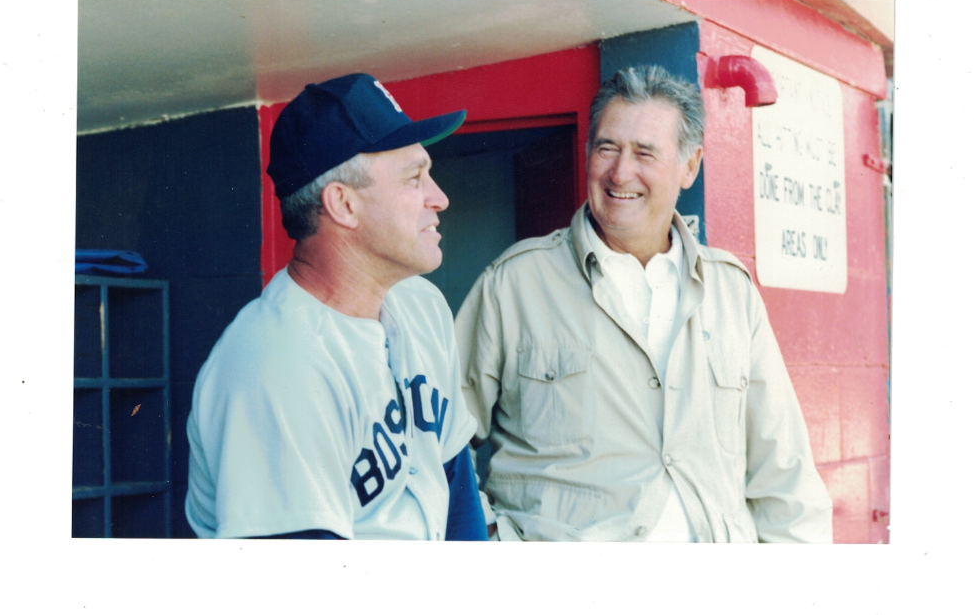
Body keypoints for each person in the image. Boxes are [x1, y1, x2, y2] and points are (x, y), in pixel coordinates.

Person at [455, 66, 832, 542]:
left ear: (690, 166)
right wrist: (487, 538)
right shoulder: (513, 284)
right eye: (607, 147)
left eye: (645, 153)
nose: (620, 172)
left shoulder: (733, 292)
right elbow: (437, 440)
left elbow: (786, 476)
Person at [185, 73, 487, 540]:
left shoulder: (420, 304)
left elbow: (453, 480)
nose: (439, 198)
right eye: (414, 179)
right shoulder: (276, 365)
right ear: (343, 205)